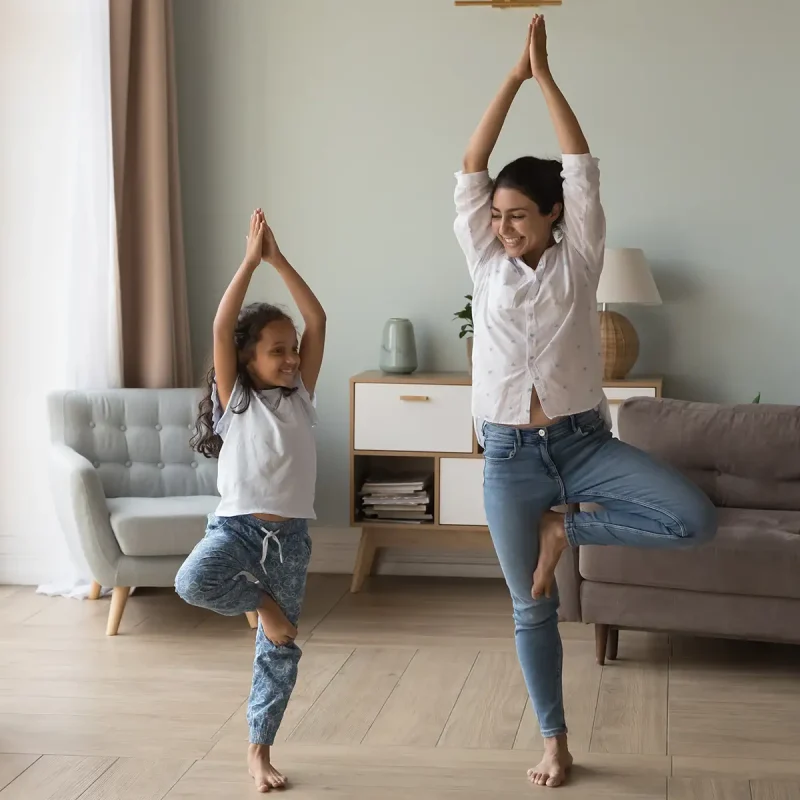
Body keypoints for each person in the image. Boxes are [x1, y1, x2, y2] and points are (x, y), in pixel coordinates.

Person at [453, 16, 717, 789]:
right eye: (496, 217)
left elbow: (580, 164)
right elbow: (471, 163)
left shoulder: (582, 259)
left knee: (692, 519)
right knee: (530, 606)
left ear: (555, 216)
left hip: (581, 444)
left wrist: (547, 78)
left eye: (518, 216)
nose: (503, 229)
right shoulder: (484, 260)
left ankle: (566, 527)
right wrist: (510, 79)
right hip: (507, 456)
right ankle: (555, 741)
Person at [175, 208, 326, 793]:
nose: (290, 358)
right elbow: (221, 329)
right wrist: (248, 262)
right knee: (193, 583)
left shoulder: (300, 398)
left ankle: (259, 751)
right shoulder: (235, 402)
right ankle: (261, 603)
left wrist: (278, 261)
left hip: (289, 541)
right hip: (236, 530)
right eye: (276, 352)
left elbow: (315, 318)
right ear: (245, 360)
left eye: (293, 350)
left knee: (280, 651)